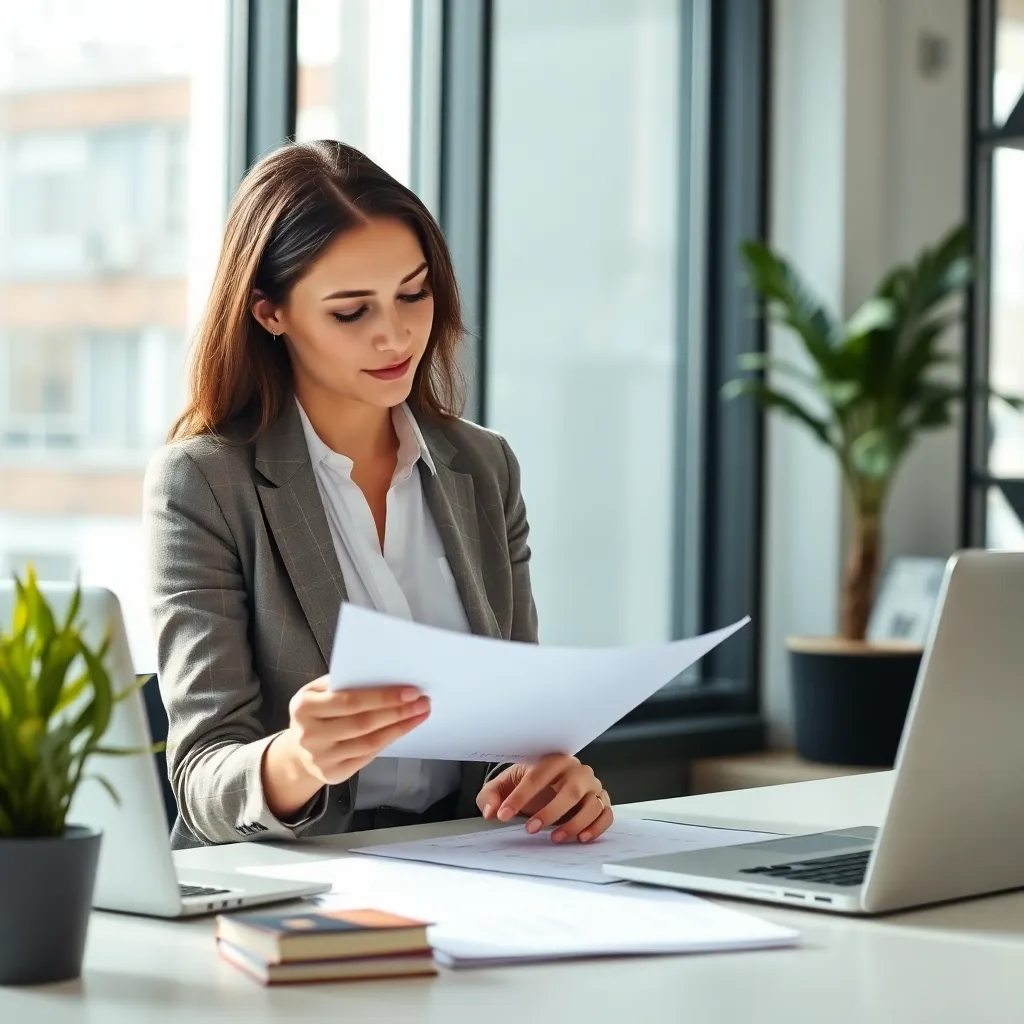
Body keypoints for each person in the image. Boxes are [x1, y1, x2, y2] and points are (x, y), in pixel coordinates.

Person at [143, 140, 613, 850]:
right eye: (350, 312)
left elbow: (517, 726)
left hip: (470, 862)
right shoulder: (205, 482)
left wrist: (549, 778)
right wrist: (296, 760)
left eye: (413, 294)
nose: (395, 335)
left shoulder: (484, 468)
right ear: (271, 313)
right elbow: (203, 781)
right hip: (293, 877)